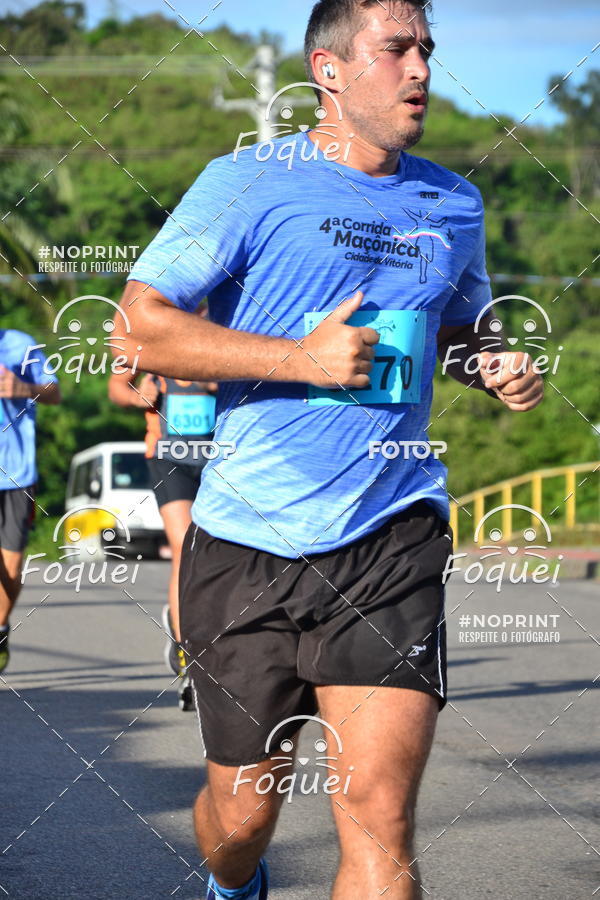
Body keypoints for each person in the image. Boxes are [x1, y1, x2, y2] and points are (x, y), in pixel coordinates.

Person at [115, 1, 544, 896]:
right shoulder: (247, 182)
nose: (421, 69)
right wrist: (298, 360)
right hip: (247, 542)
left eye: (427, 49)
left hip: (393, 529)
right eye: (397, 49)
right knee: (241, 817)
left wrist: (490, 362)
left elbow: (458, 327)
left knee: (381, 821)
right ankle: (236, 882)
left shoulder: (452, 202)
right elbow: (138, 330)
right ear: (330, 69)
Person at [108, 335, 217, 707]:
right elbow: (117, 387)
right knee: (186, 547)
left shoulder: (224, 325)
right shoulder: (150, 333)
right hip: (169, 458)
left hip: (219, 458)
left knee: (220, 554)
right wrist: (138, 396)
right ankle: (189, 655)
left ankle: (194, 627)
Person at [0, 328, 61, 673]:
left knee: (10, 568)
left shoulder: (21, 345)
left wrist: (23, 389)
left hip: (15, 473)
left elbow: (54, 392)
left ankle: (0, 628)